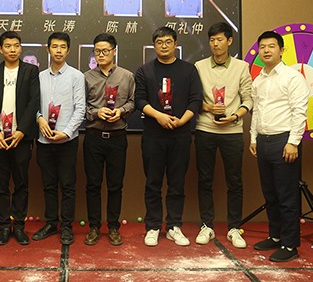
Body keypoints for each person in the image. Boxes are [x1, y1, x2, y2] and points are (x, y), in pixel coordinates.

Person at [135, 26, 202, 247]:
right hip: (153, 135)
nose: (164, 46)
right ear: (154, 45)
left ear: (175, 44)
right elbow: (140, 101)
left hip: (180, 134)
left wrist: (182, 121)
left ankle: (174, 226)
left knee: (177, 183)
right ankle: (153, 226)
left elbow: (196, 100)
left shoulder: (188, 70)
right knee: (152, 183)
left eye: (168, 42)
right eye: (159, 42)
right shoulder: (145, 71)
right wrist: (159, 116)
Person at [249, 30, 309, 262]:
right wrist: (253, 138)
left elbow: (299, 112)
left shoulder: (293, 77)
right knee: (270, 194)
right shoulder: (258, 79)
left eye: (271, 46)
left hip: (284, 142)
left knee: (287, 195)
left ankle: (290, 244)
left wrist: (293, 142)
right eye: (262, 47)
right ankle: (275, 236)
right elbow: (256, 111)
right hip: (263, 142)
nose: (266, 50)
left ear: (282, 50)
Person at [193, 22, 253, 248]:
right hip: (205, 129)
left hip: (232, 130)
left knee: (234, 180)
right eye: (212, 40)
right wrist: (207, 108)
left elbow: (249, 99)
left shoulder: (242, 67)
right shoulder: (199, 66)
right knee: (204, 179)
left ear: (229, 41)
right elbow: (193, 98)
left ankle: (234, 228)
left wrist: (235, 116)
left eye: (220, 40)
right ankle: (206, 225)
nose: (215, 44)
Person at [0, 31, 40, 245]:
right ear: (1, 49)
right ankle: (4, 226)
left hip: (21, 138)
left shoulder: (30, 71)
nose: (13, 49)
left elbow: (34, 101)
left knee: (21, 184)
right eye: (8, 46)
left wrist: (22, 131)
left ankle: (19, 226)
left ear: (20, 47)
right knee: (0, 185)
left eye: (16, 45)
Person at [32, 32, 85, 245]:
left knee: (68, 185)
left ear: (68, 50)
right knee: (49, 185)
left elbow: (80, 108)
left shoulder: (76, 76)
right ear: (48, 49)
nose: (59, 51)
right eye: (55, 47)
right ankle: (51, 223)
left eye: (63, 47)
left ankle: (66, 227)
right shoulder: (39, 77)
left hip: (67, 141)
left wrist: (67, 132)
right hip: (44, 140)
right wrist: (39, 120)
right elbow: (33, 106)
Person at [83, 33, 135, 246]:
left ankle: (113, 227)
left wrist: (120, 111)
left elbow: (132, 102)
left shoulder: (126, 76)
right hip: (93, 137)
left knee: (115, 185)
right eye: (97, 51)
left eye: (105, 51)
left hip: (117, 137)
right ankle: (94, 227)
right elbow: (81, 107)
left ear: (114, 51)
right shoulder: (86, 77)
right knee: (92, 185)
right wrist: (97, 113)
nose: (101, 55)